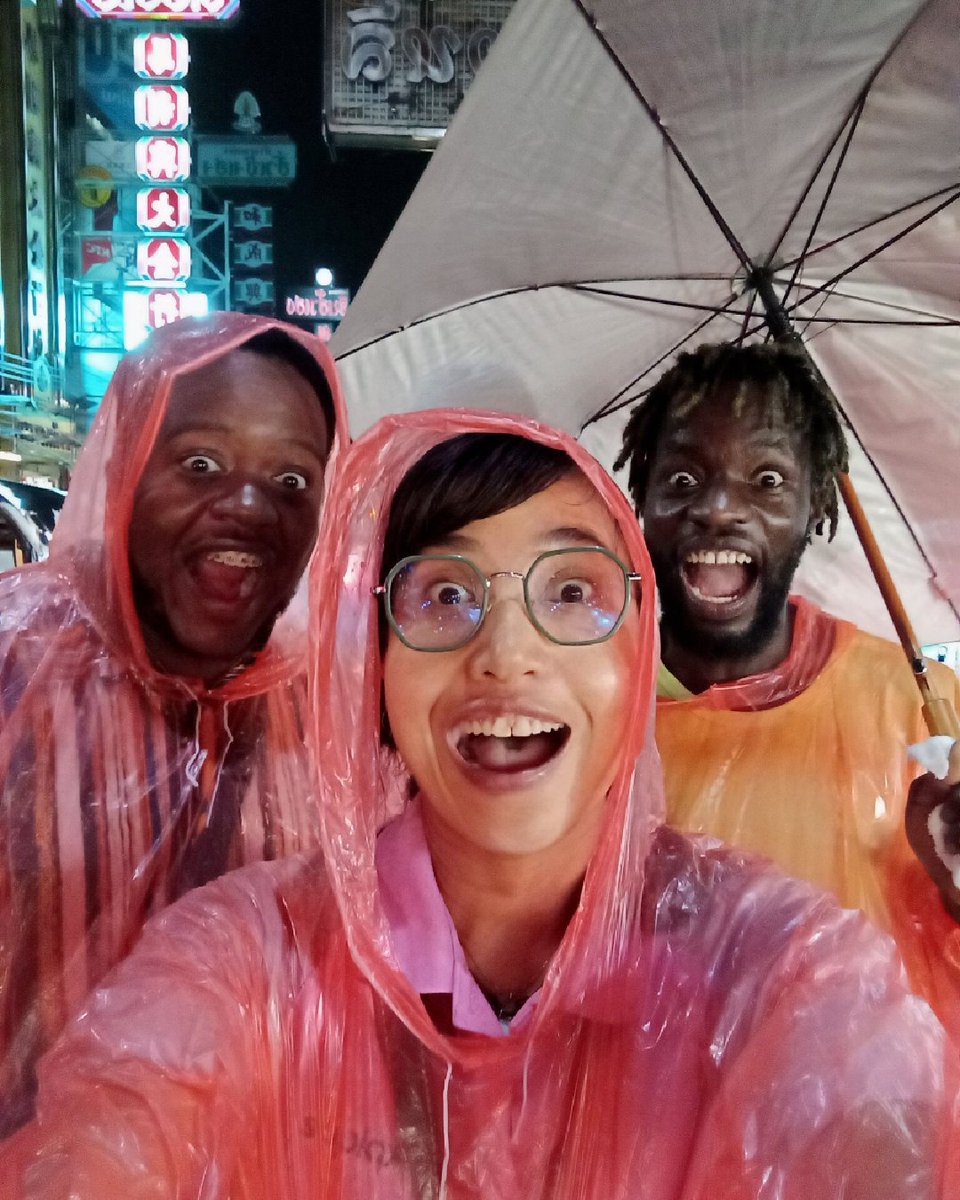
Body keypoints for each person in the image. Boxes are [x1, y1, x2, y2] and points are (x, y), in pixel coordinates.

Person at [10, 411, 955, 1199]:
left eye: (572, 591)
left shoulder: (774, 970)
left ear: (638, 658)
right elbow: (113, 1128)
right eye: (443, 594)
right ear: (374, 668)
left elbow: (872, 1128)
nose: (506, 653)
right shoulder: (252, 960)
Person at [0, 313, 346, 1135]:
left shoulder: (345, 715)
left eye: (293, 480)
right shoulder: (15, 671)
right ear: (124, 468)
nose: (250, 506)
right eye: (201, 464)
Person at [615, 338, 960, 1028]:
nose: (716, 507)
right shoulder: (584, 714)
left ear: (818, 503)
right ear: (641, 497)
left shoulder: (924, 713)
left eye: (767, 480)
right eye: (682, 479)